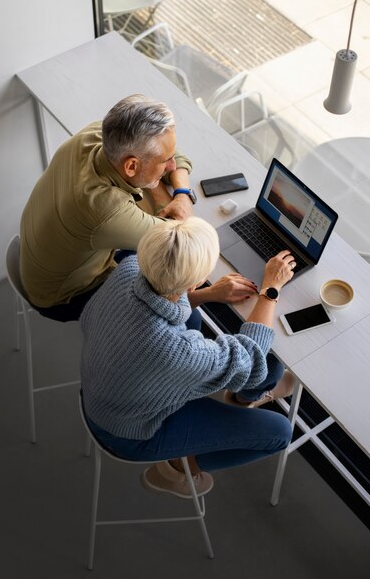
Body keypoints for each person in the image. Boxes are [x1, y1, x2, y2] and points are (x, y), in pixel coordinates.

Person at [80, 217, 295, 498]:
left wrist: (209, 294)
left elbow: (157, 299)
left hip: (103, 390)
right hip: (127, 431)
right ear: (194, 280)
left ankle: (245, 398)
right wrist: (270, 290)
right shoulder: (176, 351)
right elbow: (250, 358)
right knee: (280, 431)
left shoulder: (129, 268)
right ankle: (174, 471)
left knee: (192, 314)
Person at [20, 94, 257, 322]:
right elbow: (182, 242)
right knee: (174, 274)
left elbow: (175, 157)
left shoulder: (97, 135)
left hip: (40, 261)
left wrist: (182, 194)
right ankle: (202, 299)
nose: (172, 164)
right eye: (165, 161)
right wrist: (211, 293)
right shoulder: (105, 210)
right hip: (62, 297)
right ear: (132, 166)